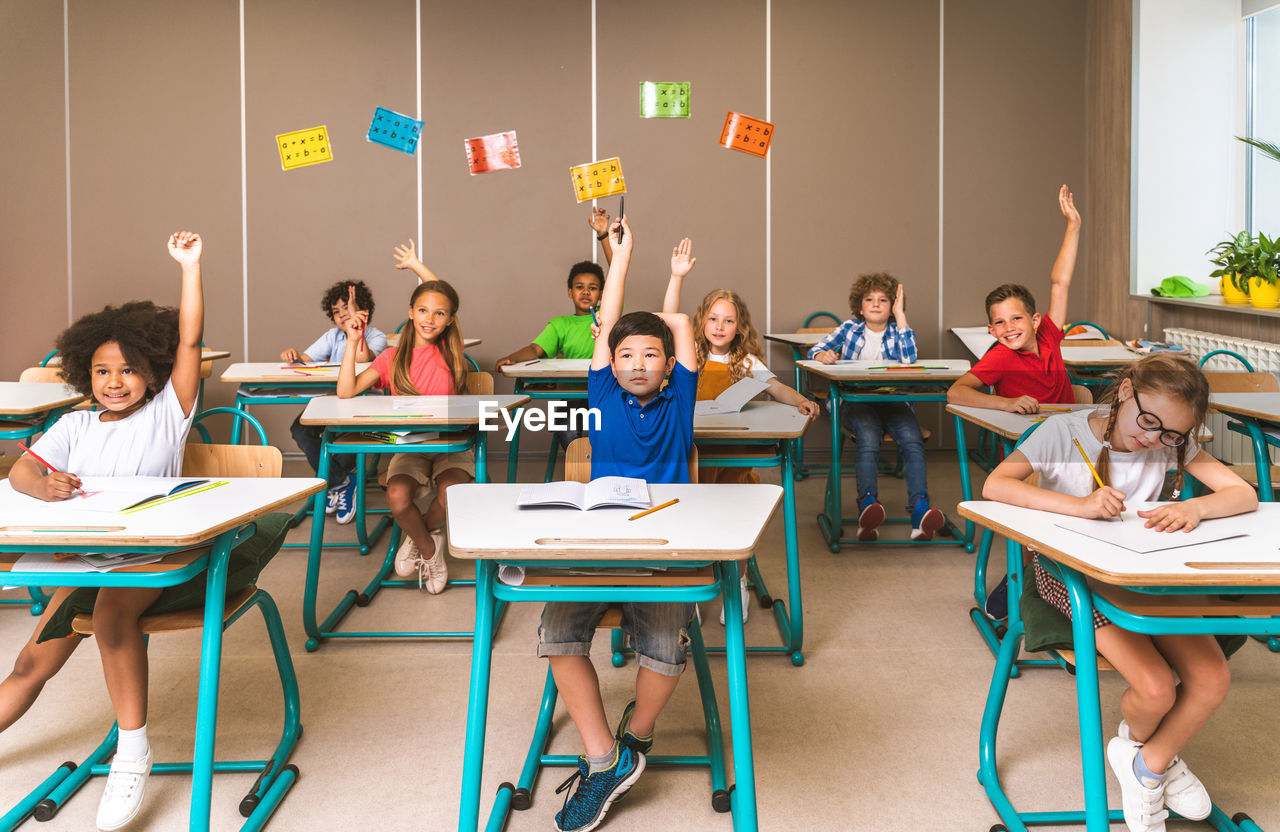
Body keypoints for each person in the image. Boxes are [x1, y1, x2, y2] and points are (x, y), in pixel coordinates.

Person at [982, 354, 1257, 832]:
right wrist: (1079, 505)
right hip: (1072, 577)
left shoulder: (1175, 444)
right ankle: (1157, 764)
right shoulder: (1064, 434)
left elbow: (1243, 495)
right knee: (1153, 689)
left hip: (1147, 576)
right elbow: (995, 484)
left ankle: (1146, 763)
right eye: (1149, 421)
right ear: (1126, 390)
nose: (1153, 439)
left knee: (1212, 679)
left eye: (1170, 434)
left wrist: (1196, 508)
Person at [5, 231, 206, 831]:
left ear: (154, 371)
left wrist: (190, 268)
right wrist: (39, 484)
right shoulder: (73, 423)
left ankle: (133, 750)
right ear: (83, 371)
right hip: (91, 559)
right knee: (27, 664)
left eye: (128, 370)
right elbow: (21, 469)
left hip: (155, 557)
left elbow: (191, 336)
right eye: (101, 370)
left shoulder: (171, 410)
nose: (114, 381)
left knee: (115, 620)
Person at [540, 214, 699, 831]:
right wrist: (619, 257)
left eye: (650, 355)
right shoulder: (602, 394)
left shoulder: (681, 396)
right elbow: (606, 325)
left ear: (668, 365)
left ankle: (633, 739)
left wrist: (673, 284)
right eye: (626, 354)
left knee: (663, 648)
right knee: (557, 630)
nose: (636, 363)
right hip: (599, 535)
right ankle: (605, 759)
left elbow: (679, 328)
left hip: (666, 544)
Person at [339, 240, 473, 594]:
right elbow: (346, 392)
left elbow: (441, 294)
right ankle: (430, 548)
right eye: (423, 311)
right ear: (410, 312)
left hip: (449, 443)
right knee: (397, 497)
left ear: (449, 321)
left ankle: (419, 537)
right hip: (409, 443)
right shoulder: (390, 357)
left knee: (451, 490)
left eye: (439, 314)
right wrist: (353, 342)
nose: (431, 319)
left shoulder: (449, 349)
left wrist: (417, 266)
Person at [807, 272, 945, 540]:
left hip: (893, 401)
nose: (876, 304)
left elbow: (909, 359)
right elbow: (816, 349)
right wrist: (824, 355)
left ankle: (919, 508)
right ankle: (868, 504)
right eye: (869, 299)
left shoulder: (898, 331)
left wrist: (901, 315)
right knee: (868, 437)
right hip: (857, 403)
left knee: (912, 438)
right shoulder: (849, 328)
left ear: (892, 307)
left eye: (884, 300)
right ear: (860, 307)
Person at [281, 280, 387, 524]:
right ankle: (342, 482)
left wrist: (356, 330)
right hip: (332, 401)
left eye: (346, 309)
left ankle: (336, 482)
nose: (341, 317)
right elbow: (305, 361)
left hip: (364, 405)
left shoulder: (376, 337)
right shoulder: (331, 336)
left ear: (363, 310)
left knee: (343, 438)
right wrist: (292, 357)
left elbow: (363, 359)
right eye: (336, 312)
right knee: (300, 430)